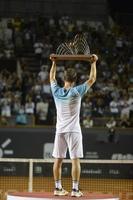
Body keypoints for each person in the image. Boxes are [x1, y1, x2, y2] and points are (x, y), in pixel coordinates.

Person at [50, 54, 98, 197]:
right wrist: (93, 62)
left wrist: (54, 62)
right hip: (73, 131)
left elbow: (52, 78)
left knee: (57, 161)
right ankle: (75, 190)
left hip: (60, 131)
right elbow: (92, 79)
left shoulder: (56, 91)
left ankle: (58, 188)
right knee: (75, 161)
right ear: (75, 80)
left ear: (64, 79)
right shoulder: (77, 91)